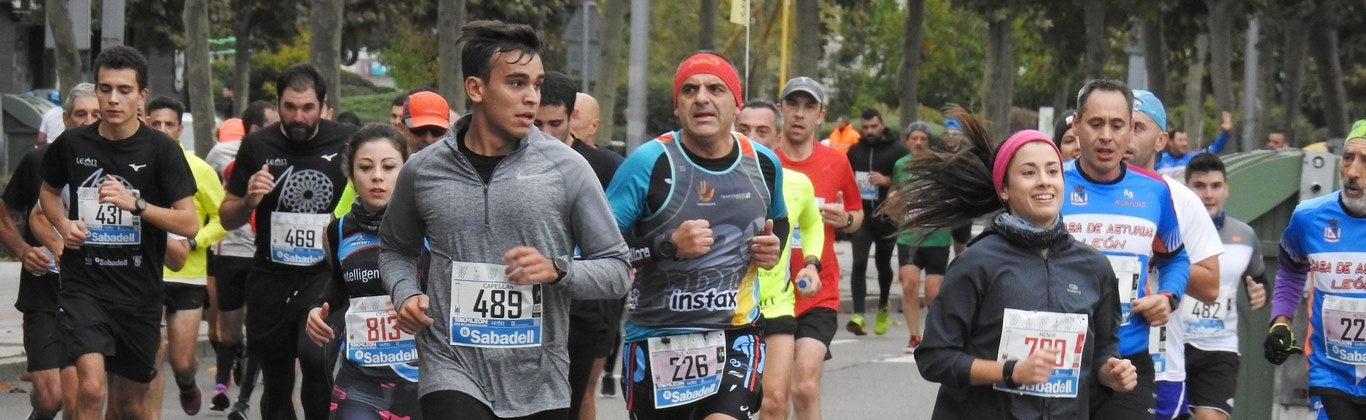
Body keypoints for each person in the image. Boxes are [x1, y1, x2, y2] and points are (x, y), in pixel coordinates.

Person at [379, 20, 631, 420]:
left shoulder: (567, 167)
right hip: (451, 364)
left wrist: (557, 270)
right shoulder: (423, 170)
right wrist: (405, 293)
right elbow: (395, 247)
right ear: (476, 89)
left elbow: (618, 271)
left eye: (536, 84)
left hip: (538, 378)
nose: (532, 98)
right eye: (516, 83)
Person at [888, 112, 1137, 417]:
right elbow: (934, 358)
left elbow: (1102, 351)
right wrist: (1010, 371)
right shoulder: (976, 263)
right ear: (1004, 189)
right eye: (1029, 173)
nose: (1044, 181)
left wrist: (1109, 372)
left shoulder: (1093, 266)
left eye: (1052, 171)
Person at [606, 50, 784, 419]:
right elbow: (599, 248)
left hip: (735, 334)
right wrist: (666, 246)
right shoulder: (649, 162)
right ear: (677, 106)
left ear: (737, 104)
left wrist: (773, 249)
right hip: (656, 340)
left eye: (715, 89)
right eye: (690, 90)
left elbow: (778, 220)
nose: (702, 97)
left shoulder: (764, 163)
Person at [38, 45, 200, 420]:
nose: (113, 99)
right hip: (85, 287)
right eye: (105, 88)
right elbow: (46, 193)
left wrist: (137, 205)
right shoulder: (73, 143)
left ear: (141, 95)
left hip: (139, 293)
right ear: (96, 90)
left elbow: (188, 223)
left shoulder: (161, 150)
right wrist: (63, 226)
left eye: (124, 90)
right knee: (91, 386)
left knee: (128, 406)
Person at [219, 63, 357, 420]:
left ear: (323, 104)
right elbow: (226, 215)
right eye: (290, 107)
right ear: (277, 104)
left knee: (315, 360)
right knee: (277, 382)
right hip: (270, 278)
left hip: (323, 277)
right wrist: (248, 199)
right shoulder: (256, 145)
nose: (298, 117)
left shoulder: (344, 141)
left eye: (307, 108)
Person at [1060, 79, 1190, 419]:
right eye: (1095, 123)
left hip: (1129, 360)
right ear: (1076, 125)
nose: (1107, 136)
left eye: (1117, 125)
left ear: (1130, 128)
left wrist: (1168, 297)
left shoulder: (1154, 192)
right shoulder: (1052, 184)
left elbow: (1175, 257)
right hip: (1060, 361)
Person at [303, 124, 419, 419]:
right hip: (361, 374)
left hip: (420, 376)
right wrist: (318, 309)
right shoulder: (339, 230)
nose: (377, 176)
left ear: (406, 172)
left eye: (389, 167)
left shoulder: (427, 227)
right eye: (366, 167)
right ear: (352, 176)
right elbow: (340, 285)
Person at [1125, 90, 1224, 420]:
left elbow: (1210, 286)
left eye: (1137, 127)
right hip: (1094, 358)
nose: (1125, 136)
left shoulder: (1181, 200)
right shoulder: (1080, 191)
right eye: (1119, 125)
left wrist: (1158, 256)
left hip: (1159, 362)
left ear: (1161, 140)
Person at [0, 82, 97, 420]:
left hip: (89, 293)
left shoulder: (113, 165)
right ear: (67, 119)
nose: (87, 121)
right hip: (43, 290)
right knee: (50, 397)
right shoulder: (38, 160)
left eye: (95, 114)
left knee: (76, 396)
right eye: (80, 114)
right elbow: (5, 214)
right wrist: (23, 249)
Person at [535, 70, 623, 420]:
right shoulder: (510, 160)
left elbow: (623, 242)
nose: (542, 135)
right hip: (525, 302)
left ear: (573, 117)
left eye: (554, 123)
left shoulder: (606, 167)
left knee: (575, 398)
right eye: (535, 123)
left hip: (586, 304)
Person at [774, 76, 863, 420]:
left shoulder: (836, 162)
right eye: (792, 105)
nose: (799, 114)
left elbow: (856, 215)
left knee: (805, 386)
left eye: (808, 106)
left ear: (820, 115)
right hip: (770, 293)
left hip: (817, 292)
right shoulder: (765, 162)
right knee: (774, 398)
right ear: (781, 109)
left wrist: (846, 220)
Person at [1264, 119, 1366, 418]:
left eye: (1365, 161)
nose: (1352, 172)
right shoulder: (1309, 218)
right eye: (1348, 157)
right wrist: (1280, 321)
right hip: (1330, 372)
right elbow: (1292, 268)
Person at [144, 96, 232, 416]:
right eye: (156, 124)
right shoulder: (137, 166)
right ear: (145, 123)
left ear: (180, 129)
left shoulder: (199, 169)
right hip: (146, 274)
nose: (163, 130)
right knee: (150, 355)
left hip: (188, 276)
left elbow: (224, 217)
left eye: (170, 124)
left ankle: (186, 382)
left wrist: (196, 241)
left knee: (181, 361)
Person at [737, 99, 824, 420]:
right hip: (725, 309)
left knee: (774, 401)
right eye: (743, 130)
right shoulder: (710, 181)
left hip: (776, 304)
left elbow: (813, 223)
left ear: (776, 138)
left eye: (762, 131)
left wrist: (812, 263)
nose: (752, 138)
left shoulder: (796, 183)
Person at [203, 98, 276, 420]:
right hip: (229, 250)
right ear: (257, 130)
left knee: (257, 326)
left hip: (261, 254)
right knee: (228, 331)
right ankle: (225, 380)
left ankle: (240, 399)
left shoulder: (284, 159)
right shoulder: (226, 159)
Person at [1181, 152, 1267, 420]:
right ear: (1187, 189)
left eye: (1216, 186)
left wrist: (1259, 292)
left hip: (1220, 346)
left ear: (1226, 189)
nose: (1208, 194)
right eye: (1199, 186)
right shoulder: (1173, 232)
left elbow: (1259, 279)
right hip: (1173, 343)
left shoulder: (1245, 235)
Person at [845, 108, 907, 336]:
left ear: (882, 125)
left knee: (882, 264)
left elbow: (908, 180)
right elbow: (846, 177)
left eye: (874, 126)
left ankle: (883, 305)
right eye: (866, 127)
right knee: (858, 263)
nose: (870, 131)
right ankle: (858, 315)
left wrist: (887, 181)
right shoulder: (855, 150)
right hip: (861, 215)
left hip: (886, 215)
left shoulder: (897, 150)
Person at [892, 122, 952, 354]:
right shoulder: (900, 165)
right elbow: (895, 194)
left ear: (928, 142)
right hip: (909, 235)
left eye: (922, 139)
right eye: (914, 138)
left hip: (936, 236)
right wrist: (895, 200)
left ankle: (932, 335)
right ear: (907, 141)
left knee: (932, 292)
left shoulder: (939, 165)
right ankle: (914, 337)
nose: (918, 142)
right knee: (909, 284)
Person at [1154, 111, 1231, 177]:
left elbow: (1213, 149)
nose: (1185, 143)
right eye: (1180, 140)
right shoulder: (1158, 160)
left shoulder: (1194, 158)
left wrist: (1225, 133)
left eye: (1185, 140)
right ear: (1170, 142)